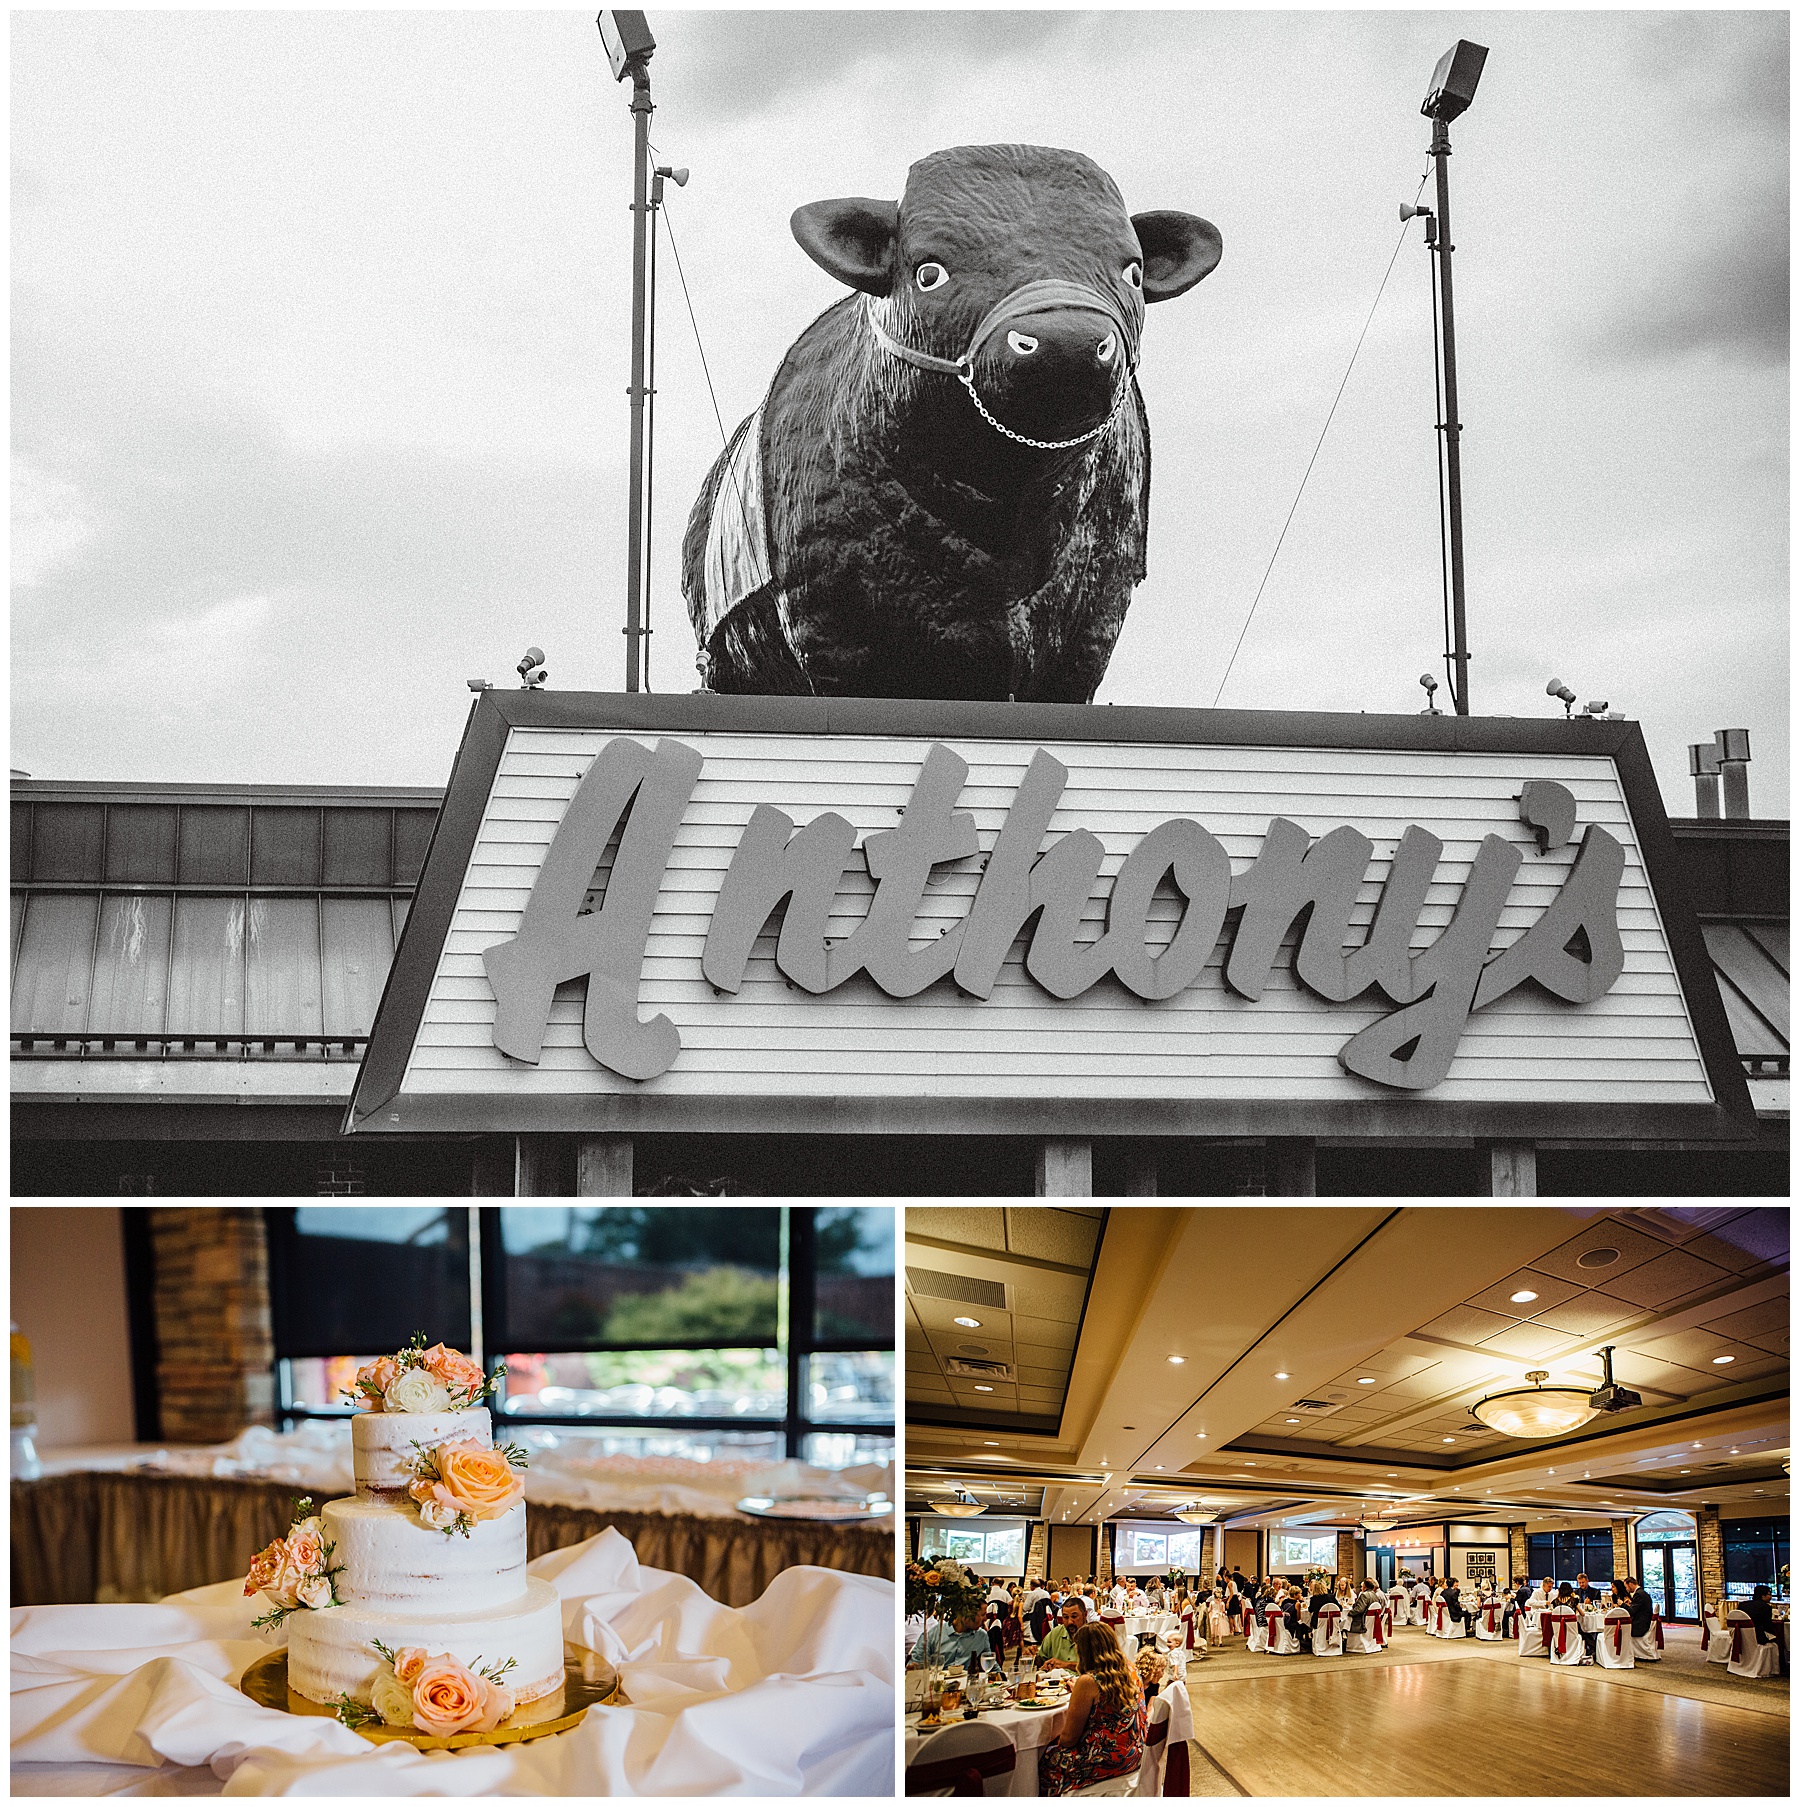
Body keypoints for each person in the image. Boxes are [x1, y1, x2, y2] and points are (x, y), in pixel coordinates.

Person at [1038, 1623, 1148, 1796]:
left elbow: (1068, 1739)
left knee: (1044, 1761)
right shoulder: (1130, 1669)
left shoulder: (1088, 1682)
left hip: (1107, 1761)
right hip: (1136, 1753)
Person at [909, 1608, 991, 1671]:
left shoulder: (981, 1636)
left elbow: (990, 1665)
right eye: (983, 1614)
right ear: (967, 1614)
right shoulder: (933, 1634)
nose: (986, 1619)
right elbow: (918, 1666)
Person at [1037, 1596, 1089, 1672]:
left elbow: (1099, 1668)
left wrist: (1066, 1665)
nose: (1070, 1622)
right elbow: (1041, 1658)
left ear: (1085, 1615)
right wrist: (1033, 1656)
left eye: (1074, 1616)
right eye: (1065, 1617)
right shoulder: (1055, 1633)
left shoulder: (1094, 1634)